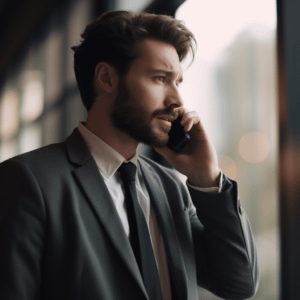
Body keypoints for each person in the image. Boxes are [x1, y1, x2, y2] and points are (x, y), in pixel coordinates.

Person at [0, 10, 259, 300]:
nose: (177, 101)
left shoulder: (171, 187)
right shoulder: (27, 181)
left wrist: (207, 178)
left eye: (178, 82)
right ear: (107, 78)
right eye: (160, 78)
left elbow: (239, 284)